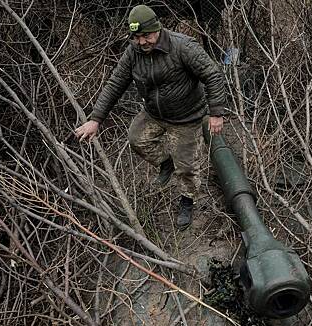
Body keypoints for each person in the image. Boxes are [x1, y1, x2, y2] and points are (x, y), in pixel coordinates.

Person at [75, 4, 228, 229]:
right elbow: (115, 84)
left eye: (146, 35)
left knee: (186, 167)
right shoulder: (133, 52)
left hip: (186, 117)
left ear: (157, 29)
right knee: (137, 139)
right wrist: (95, 119)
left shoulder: (183, 47)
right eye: (137, 37)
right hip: (154, 113)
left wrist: (216, 113)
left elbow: (213, 75)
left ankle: (187, 200)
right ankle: (166, 164)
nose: (142, 42)